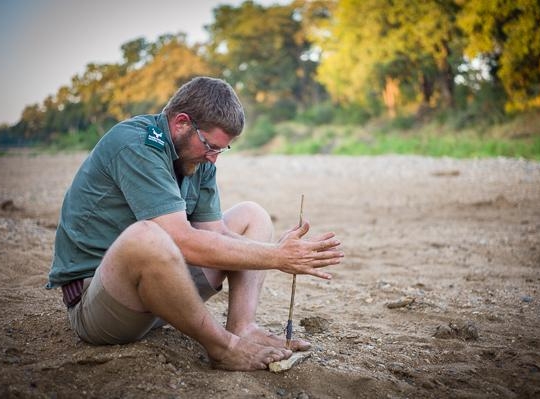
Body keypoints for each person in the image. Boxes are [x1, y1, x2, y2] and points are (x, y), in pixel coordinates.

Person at [47, 76, 344, 371]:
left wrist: (277, 249)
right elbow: (181, 240)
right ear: (181, 123)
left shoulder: (197, 158)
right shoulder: (135, 144)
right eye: (210, 146)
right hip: (102, 307)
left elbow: (216, 235)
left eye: (221, 150)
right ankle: (223, 348)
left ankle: (242, 327)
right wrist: (276, 257)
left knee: (252, 216)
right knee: (146, 236)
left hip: (161, 300)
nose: (213, 159)